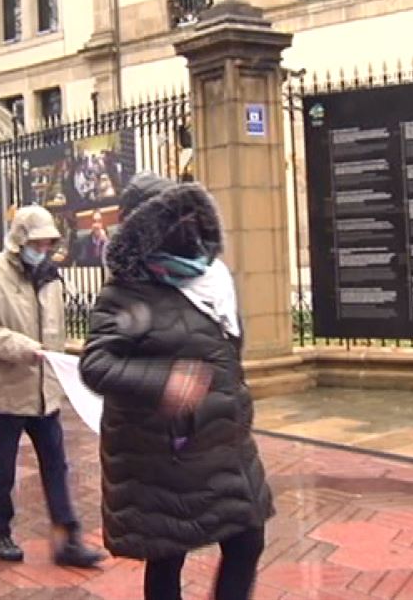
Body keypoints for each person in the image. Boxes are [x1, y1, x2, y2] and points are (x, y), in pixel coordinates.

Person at [80, 174, 274, 600]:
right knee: (168, 553)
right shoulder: (125, 293)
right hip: (167, 449)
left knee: (247, 539)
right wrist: (163, 382)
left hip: (226, 441)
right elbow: (95, 364)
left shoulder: (212, 280)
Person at [0, 205, 104, 568]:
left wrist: (66, 357)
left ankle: (67, 538)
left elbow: (55, 333)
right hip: (5, 391)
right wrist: (26, 349)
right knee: (3, 470)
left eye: (48, 243)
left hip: (45, 393)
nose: (42, 249)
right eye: (37, 242)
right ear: (20, 239)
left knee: (56, 465)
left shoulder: (50, 278)